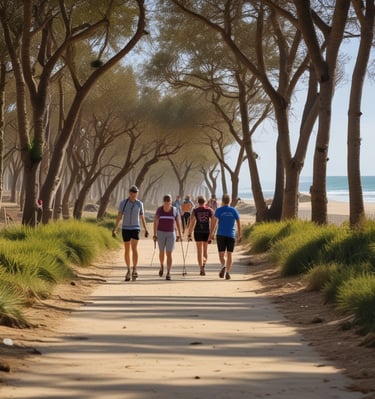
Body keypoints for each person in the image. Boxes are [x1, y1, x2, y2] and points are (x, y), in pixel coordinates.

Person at [112, 185, 149, 282]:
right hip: (125, 228)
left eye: (135, 192)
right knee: (127, 249)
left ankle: (134, 269)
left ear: (137, 193)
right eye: (132, 192)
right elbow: (119, 216)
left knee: (134, 248)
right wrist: (115, 228)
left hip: (135, 228)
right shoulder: (123, 203)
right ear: (129, 193)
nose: (133, 194)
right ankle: (128, 269)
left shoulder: (139, 204)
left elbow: (142, 217)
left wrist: (146, 229)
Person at [209, 193, 242, 280]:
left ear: (222, 201)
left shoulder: (218, 210)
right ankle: (227, 272)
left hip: (221, 234)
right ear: (229, 201)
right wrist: (240, 234)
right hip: (231, 235)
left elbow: (214, 223)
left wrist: (211, 234)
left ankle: (223, 266)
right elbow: (238, 222)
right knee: (230, 254)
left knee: (221, 254)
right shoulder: (234, 210)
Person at [153, 194, 182, 281]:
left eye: (168, 200)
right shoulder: (159, 210)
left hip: (171, 233)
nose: (167, 202)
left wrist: (179, 235)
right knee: (161, 251)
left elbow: (178, 222)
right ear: (163, 201)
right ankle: (162, 266)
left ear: (171, 201)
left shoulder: (174, 210)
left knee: (169, 253)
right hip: (161, 232)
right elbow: (155, 222)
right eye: (165, 200)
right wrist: (154, 234)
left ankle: (168, 272)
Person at [187, 195, 214, 276]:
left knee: (199, 251)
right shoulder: (210, 210)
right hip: (206, 231)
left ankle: (201, 268)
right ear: (205, 202)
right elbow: (213, 222)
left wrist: (189, 233)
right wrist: (212, 233)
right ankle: (204, 265)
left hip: (197, 231)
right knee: (205, 250)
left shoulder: (195, 210)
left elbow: (192, 222)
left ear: (198, 202)